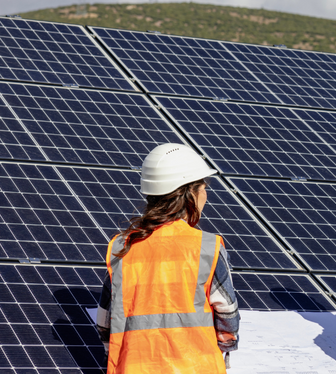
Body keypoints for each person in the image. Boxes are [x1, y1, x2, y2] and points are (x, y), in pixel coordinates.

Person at [96, 143, 240, 373]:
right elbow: (226, 313)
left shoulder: (123, 247)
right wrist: (226, 345)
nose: (206, 195)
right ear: (189, 193)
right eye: (203, 187)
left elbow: (106, 321)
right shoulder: (206, 246)